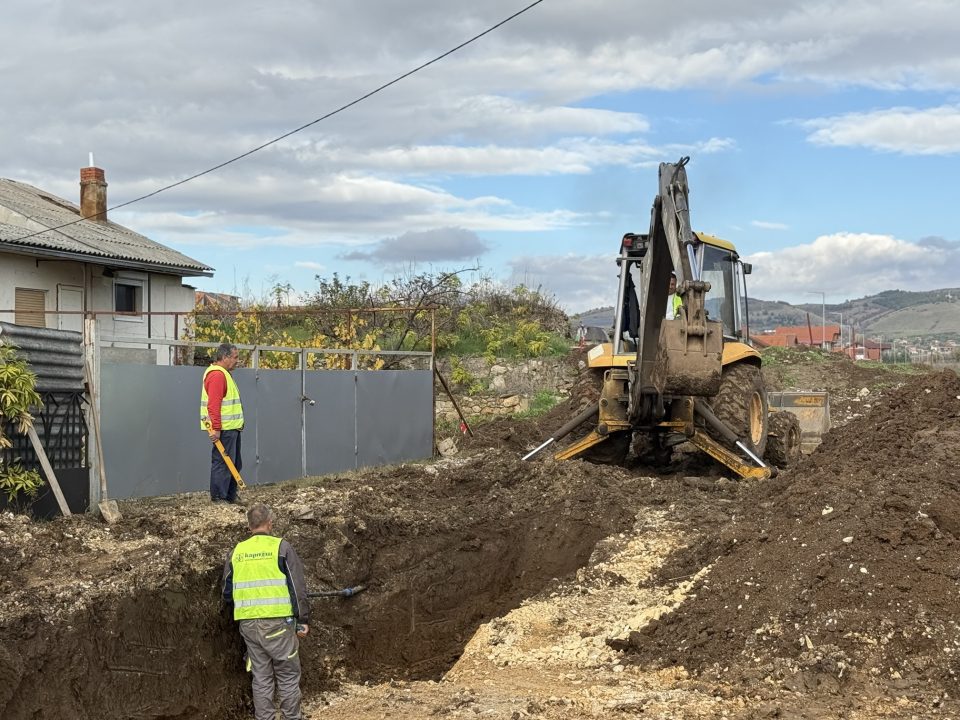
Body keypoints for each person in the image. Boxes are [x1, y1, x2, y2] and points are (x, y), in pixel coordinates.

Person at [223, 503, 311, 720]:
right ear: (270, 523)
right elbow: (297, 588)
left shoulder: (237, 552)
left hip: (249, 625)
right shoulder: (281, 548)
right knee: (288, 676)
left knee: (261, 678)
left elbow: (227, 592)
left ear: (249, 526)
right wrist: (302, 619)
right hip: (278, 624)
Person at [201, 342, 244, 503]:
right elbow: (214, 405)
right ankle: (219, 497)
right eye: (235, 357)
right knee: (223, 463)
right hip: (225, 429)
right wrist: (216, 428)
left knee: (234, 463)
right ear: (225, 357)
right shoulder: (217, 375)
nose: (237, 361)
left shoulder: (223, 374)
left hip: (232, 428)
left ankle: (230, 496)